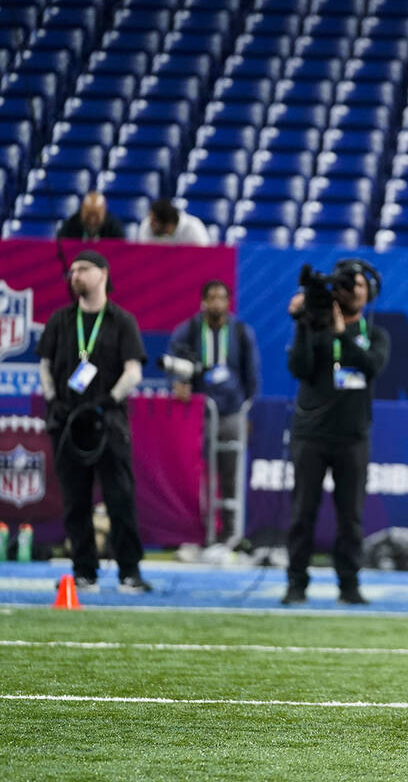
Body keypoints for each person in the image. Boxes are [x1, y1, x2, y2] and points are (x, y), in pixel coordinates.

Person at [35, 250, 152, 592]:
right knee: (75, 501)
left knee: (120, 498)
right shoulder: (59, 320)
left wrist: (108, 401)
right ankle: (84, 571)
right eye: (71, 271)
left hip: (107, 423)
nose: (75, 276)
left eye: (82, 270)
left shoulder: (121, 321)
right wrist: (53, 400)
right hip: (68, 424)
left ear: (102, 273)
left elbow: (134, 371)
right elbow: (44, 366)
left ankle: (129, 571)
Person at [282, 260, 390, 606]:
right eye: (347, 286)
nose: (353, 292)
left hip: (353, 437)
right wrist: (302, 324)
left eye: (359, 286)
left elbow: (371, 365)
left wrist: (343, 332)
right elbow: (299, 367)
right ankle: (296, 582)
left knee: (351, 517)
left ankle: (349, 584)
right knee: (303, 513)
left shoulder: (376, 334)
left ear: (368, 292)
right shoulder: (315, 326)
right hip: (311, 436)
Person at [167, 280, 262, 543]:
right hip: (198, 414)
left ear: (229, 302)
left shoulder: (241, 332)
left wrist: (248, 412)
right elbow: (173, 365)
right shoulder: (189, 331)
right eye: (212, 297)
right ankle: (197, 531)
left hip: (232, 413)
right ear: (203, 302)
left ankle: (231, 533)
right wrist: (177, 384)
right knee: (196, 473)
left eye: (222, 297)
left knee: (231, 473)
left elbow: (252, 376)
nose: (217, 303)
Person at [136, 198, 212, 245]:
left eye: (154, 222)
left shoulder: (194, 227)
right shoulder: (146, 225)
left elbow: (205, 258)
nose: (150, 224)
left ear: (168, 225)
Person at [57, 191, 124, 240]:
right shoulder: (70, 226)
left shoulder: (114, 228)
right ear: (82, 211)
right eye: (88, 215)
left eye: (96, 216)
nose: (92, 221)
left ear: (103, 213)